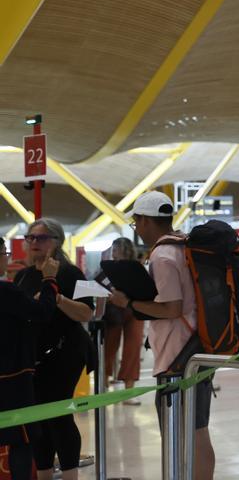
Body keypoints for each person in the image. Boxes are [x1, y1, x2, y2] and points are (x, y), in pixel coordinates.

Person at [107, 192, 215, 480]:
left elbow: (171, 308)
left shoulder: (163, 255)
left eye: (136, 223)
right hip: (198, 346)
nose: (137, 230)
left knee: (182, 428)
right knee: (198, 426)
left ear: (144, 220)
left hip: (177, 355)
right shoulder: (183, 245)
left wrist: (127, 303)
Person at [13, 219, 94, 480]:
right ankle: (45, 473)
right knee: (36, 418)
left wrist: (55, 297)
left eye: (41, 238)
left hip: (65, 353)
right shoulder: (23, 275)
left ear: (56, 242)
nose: (34, 243)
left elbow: (86, 312)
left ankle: (70, 473)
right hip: (33, 356)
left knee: (59, 416)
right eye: (31, 238)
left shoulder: (70, 273)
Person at [1, 237, 60, 480]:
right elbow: (43, 312)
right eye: (3, 252)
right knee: (21, 439)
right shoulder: (5, 290)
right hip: (12, 377)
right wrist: (49, 280)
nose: (6, 256)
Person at [98, 237, 144, 402]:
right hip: (114, 312)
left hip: (135, 309)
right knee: (109, 348)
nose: (114, 252)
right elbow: (100, 284)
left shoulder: (136, 267)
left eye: (116, 249)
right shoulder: (107, 267)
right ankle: (102, 385)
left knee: (133, 348)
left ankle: (128, 393)